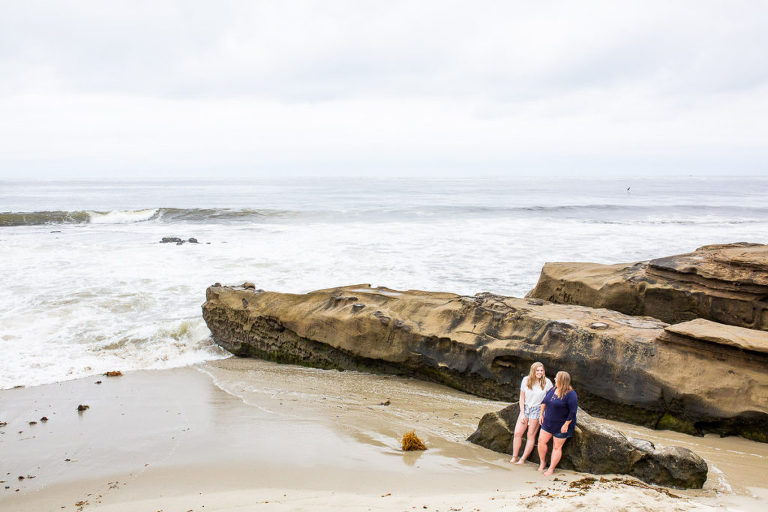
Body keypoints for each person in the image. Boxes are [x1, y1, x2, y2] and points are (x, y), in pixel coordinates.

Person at [510, 362, 553, 464]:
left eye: (541, 370)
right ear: (533, 371)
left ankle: (522, 459)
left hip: (537, 410)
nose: (540, 372)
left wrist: (543, 413)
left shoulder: (547, 382)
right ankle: (514, 457)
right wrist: (522, 413)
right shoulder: (526, 380)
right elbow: (522, 398)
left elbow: (550, 398)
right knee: (517, 433)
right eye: (537, 370)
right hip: (526, 408)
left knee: (530, 435)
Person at [537, 371, 577, 476]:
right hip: (548, 421)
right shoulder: (553, 389)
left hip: (561, 425)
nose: (554, 379)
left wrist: (566, 425)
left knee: (556, 447)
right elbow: (544, 402)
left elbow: (573, 412)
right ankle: (542, 463)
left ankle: (551, 469)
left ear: (562, 380)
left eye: (556, 377)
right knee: (541, 442)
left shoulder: (571, 394)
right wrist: (541, 415)